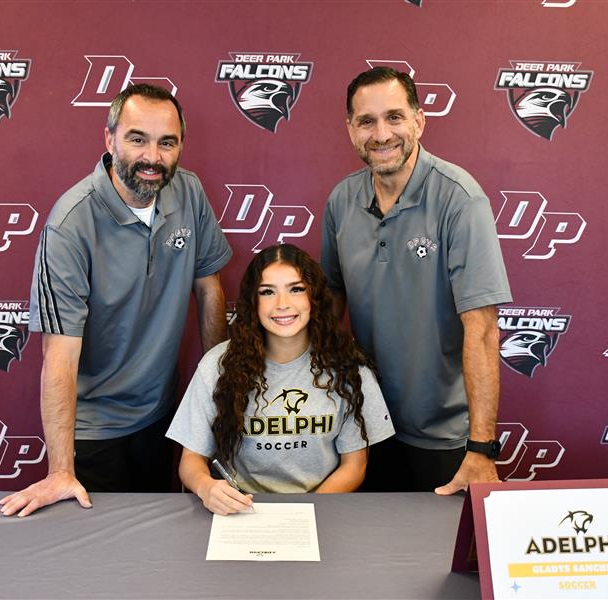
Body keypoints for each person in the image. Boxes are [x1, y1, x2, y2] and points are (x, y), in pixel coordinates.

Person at [0, 83, 233, 517]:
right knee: (100, 555)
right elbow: (59, 355)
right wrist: (60, 470)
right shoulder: (70, 225)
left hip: (161, 416)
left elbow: (208, 287)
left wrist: (217, 390)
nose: (152, 157)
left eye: (167, 143)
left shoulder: (189, 192)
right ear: (109, 139)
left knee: (158, 543)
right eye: (137, 139)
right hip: (95, 430)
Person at [321, 67, 512, 494]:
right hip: (365, 425)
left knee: (440, 541)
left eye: (394, 117)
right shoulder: (340, 201)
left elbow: (482, 329)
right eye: (366, 121)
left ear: (419, 121)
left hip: (443, 435)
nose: (381, 134)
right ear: (351, 130)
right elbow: (328, 305)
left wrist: (481, 448)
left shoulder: (459, 199)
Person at [166, 244, 395, 515]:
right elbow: (190, 459)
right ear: (253, 301)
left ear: (314, 296)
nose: (282, 304)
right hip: (240, 512)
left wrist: (303, 513)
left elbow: (354, 467)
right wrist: (207, 487)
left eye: (296, 289)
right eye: (267, 292)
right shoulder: (217, 365)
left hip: (321, 512)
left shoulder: (349, 368)